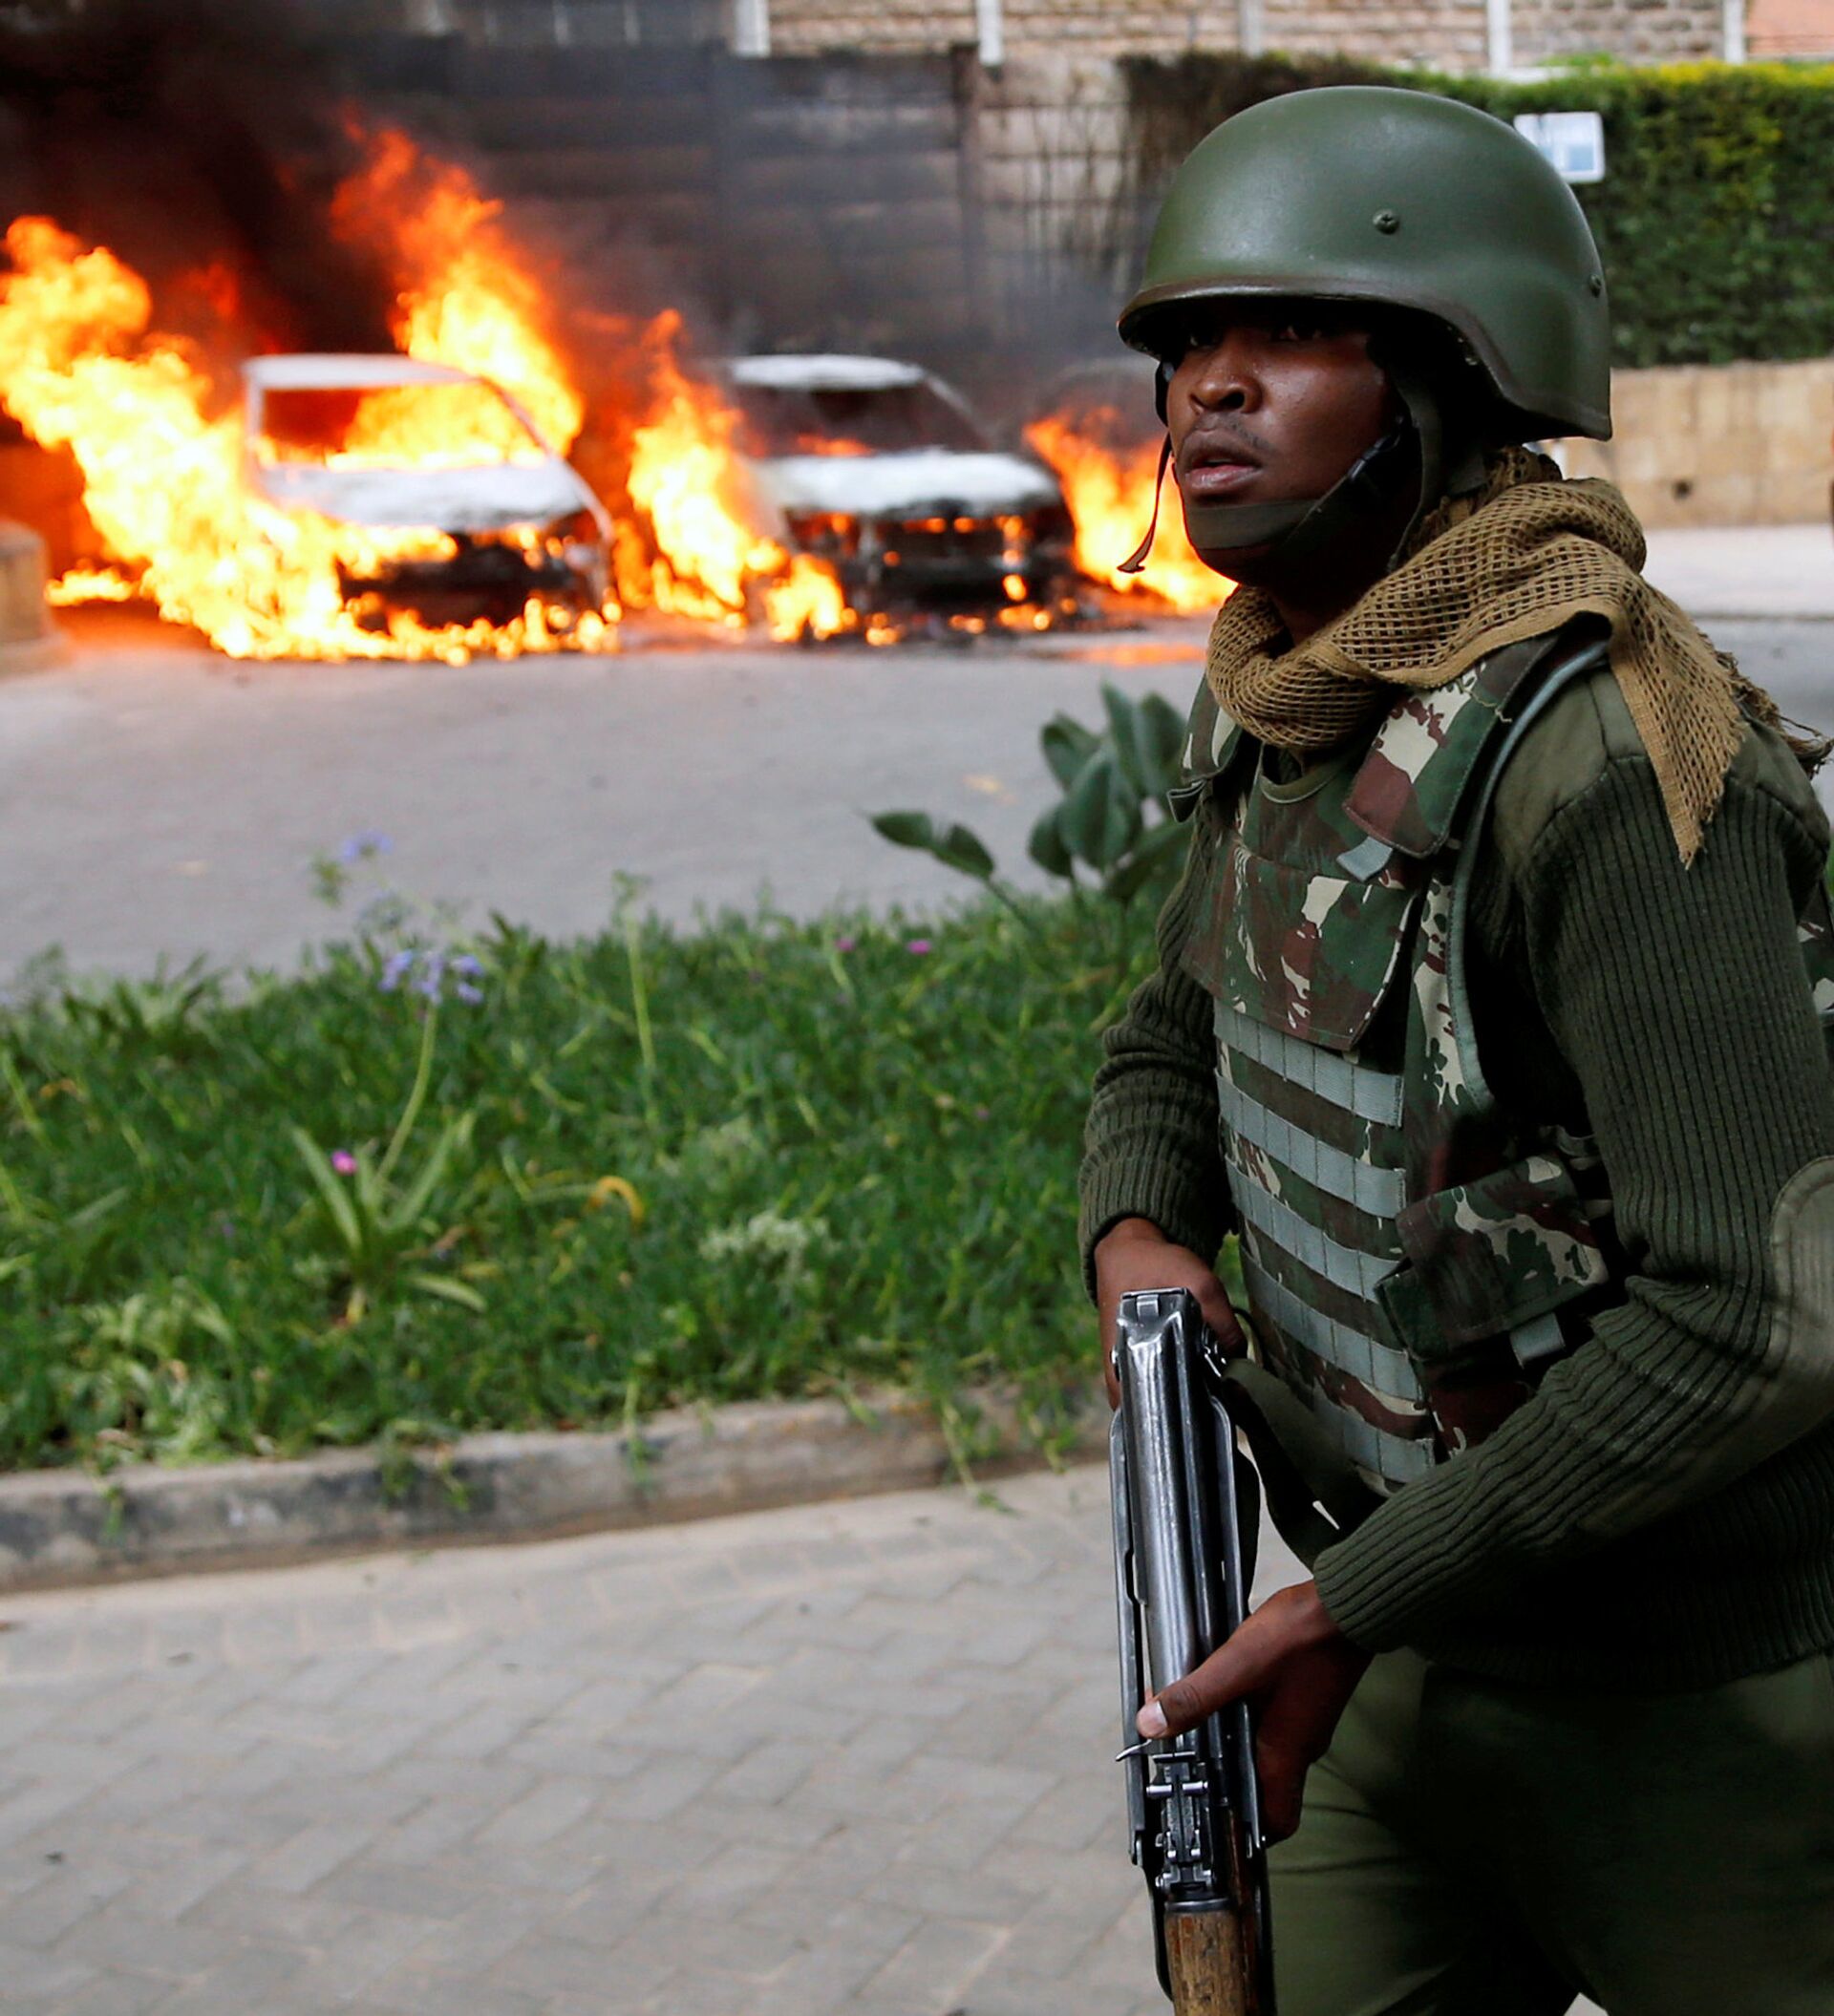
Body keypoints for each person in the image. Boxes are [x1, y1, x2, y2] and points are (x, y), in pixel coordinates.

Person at [1080, 85, 1834, 2015]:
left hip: (1706, 1709)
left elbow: (1755, 1316)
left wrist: (1345, 1612)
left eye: (1294, 333)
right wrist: (1140, 1234)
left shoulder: (1617, 759)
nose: (1210, 389)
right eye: (1190, 343)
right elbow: (1180, 1021)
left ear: (1455, 380)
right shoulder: (1292, 686)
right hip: (1406, 1655)